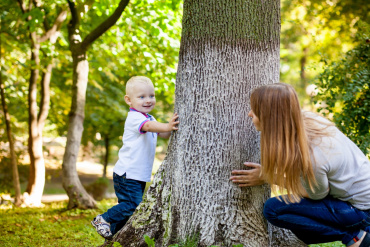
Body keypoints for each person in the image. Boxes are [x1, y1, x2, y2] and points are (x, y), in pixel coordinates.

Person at [230, 83, 370, 247]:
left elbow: (316, 195)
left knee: (274, 209)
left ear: (269, 116)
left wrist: (268, 177)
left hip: (361, 210)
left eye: (254, 110)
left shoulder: (312, 155)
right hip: (357, 200)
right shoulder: (307, 120)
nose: (249, 114)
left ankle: (356, 236)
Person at [91, 76, 179, 240]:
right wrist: (166, 125)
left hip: (137, 175)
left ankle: (114, 234)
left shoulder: (149, 118)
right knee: (132, 205)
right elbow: (148, 127)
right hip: (127, 173)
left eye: (151, 96)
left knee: (128, 207)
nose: (148, 100)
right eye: (141, 97)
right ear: (128, 100)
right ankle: (104, 219)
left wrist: (170, 125)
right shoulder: (135, 118)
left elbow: (165, 134)